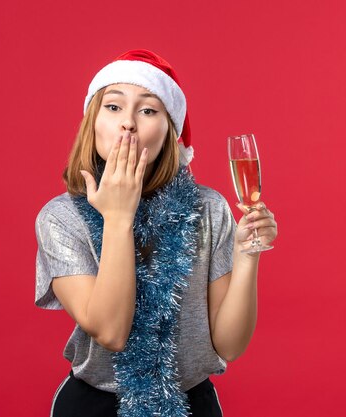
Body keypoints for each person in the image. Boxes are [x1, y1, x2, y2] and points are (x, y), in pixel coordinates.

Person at [35, 49, 278, 417]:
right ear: (92, 122)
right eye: (113, 107)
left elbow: (228, 346)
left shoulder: (209, 209)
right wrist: (118, 218)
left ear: (170, 132)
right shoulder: (61, 217)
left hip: (189, 403)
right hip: (94, 405)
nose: (128, 123)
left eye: (148, 110)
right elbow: (111, 332)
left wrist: (247, 256)